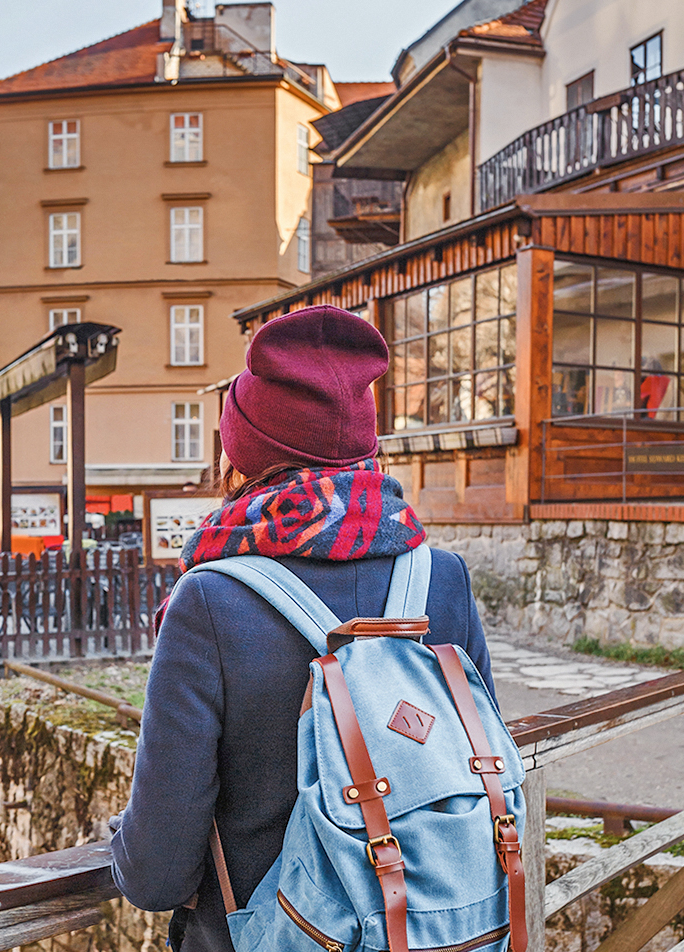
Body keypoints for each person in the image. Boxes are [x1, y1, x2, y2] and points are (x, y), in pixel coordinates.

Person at [109, 306, 496, 952]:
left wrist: (117, 840)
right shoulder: (443, 579)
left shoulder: (208, 603)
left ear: (246, 454)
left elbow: (155, 873)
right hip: (435, 933)